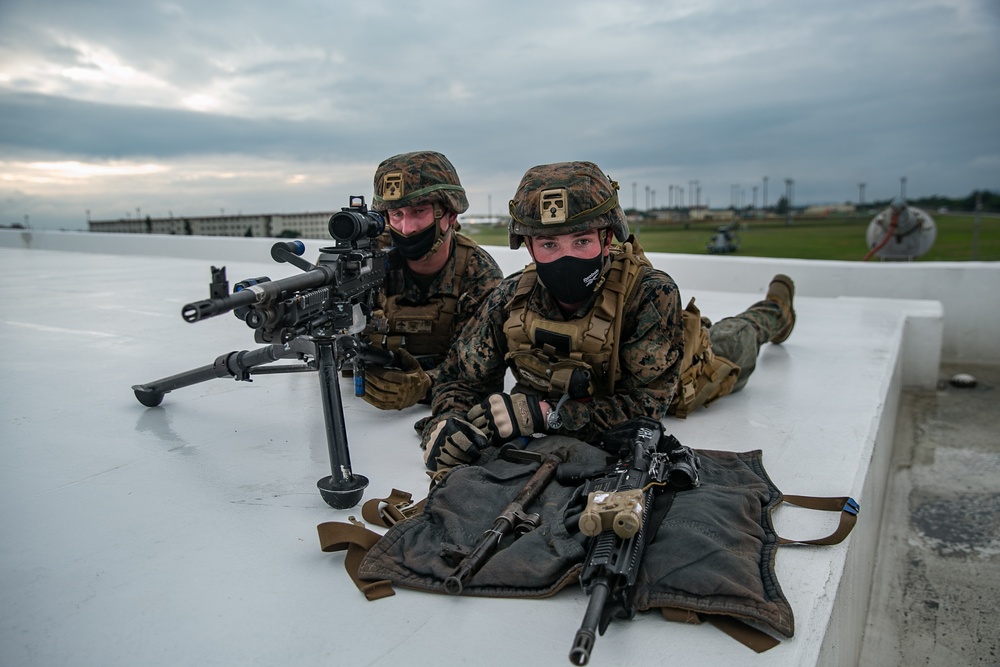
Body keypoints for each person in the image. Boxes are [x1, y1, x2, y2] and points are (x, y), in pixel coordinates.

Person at [418, 160, 796, 472]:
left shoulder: (652, 293)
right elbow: (460, 377)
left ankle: (776, 308)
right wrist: (445, 423)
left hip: (683, 377)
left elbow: (647, 407)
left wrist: (550, 416)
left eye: (581, 241)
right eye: (549, 244)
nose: (565, 257)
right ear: (530, 247)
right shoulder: (510, 297)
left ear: (608, 240)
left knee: (739, 334)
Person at [359, 151, 503, 413]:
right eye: (396, 214)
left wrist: (424, 385)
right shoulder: (367, 263)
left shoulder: (479, 274)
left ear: (450, 214)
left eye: (419, 211)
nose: (407, 227)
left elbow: (482, 371)